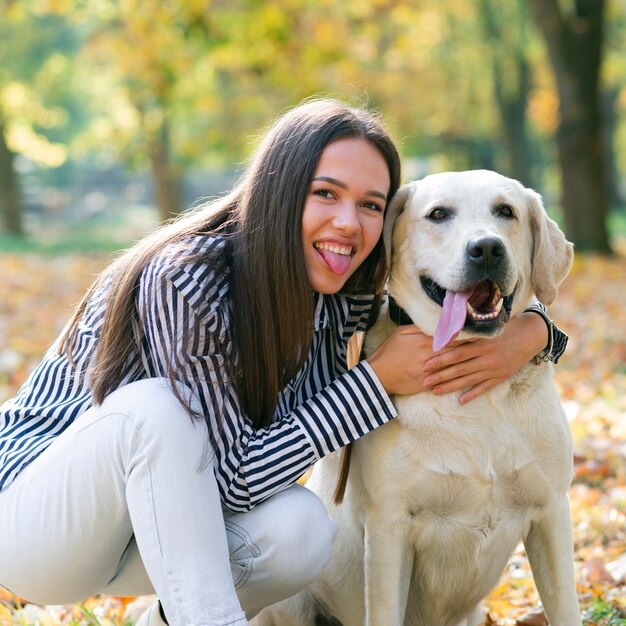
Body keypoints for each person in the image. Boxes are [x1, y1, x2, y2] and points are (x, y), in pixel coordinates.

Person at [0, 98, 567, 626]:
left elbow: (465, 286)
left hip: (150, 531)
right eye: (325, 193)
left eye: (370, 205)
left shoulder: (347, 287)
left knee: (301, 530)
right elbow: (226, 482)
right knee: (156, 410)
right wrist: (374, 384)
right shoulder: (186, 278)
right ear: (278, 189)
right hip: (38, 526)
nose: (349, 222)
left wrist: (535, 333)